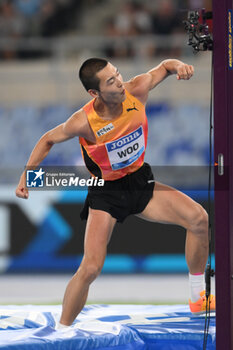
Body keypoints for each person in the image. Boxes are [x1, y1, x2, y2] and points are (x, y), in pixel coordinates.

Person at [15, 57, 215, 327]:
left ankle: (197, 296)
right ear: (94, 92)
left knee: (199, 219)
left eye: (118, 74)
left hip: (140, 183)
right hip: (106, 193)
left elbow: (165, 67)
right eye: (111, 81)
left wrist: (179, 66)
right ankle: (62, 332)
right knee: (91, 268)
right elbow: (48, 139)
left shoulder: (137, 90)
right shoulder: (83, 121)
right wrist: (28, 175)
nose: (120, 82)